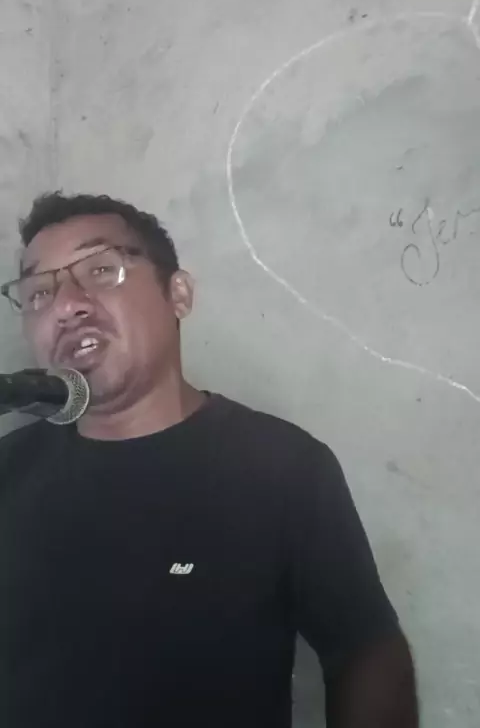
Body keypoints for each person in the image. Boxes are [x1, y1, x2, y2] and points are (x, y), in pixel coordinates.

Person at [0, 191, 417, 728]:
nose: (65, 306)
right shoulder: (10, 467)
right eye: (39, 292)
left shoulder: (280, 467)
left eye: (101, 270)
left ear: (178, 294)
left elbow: (365, 648)